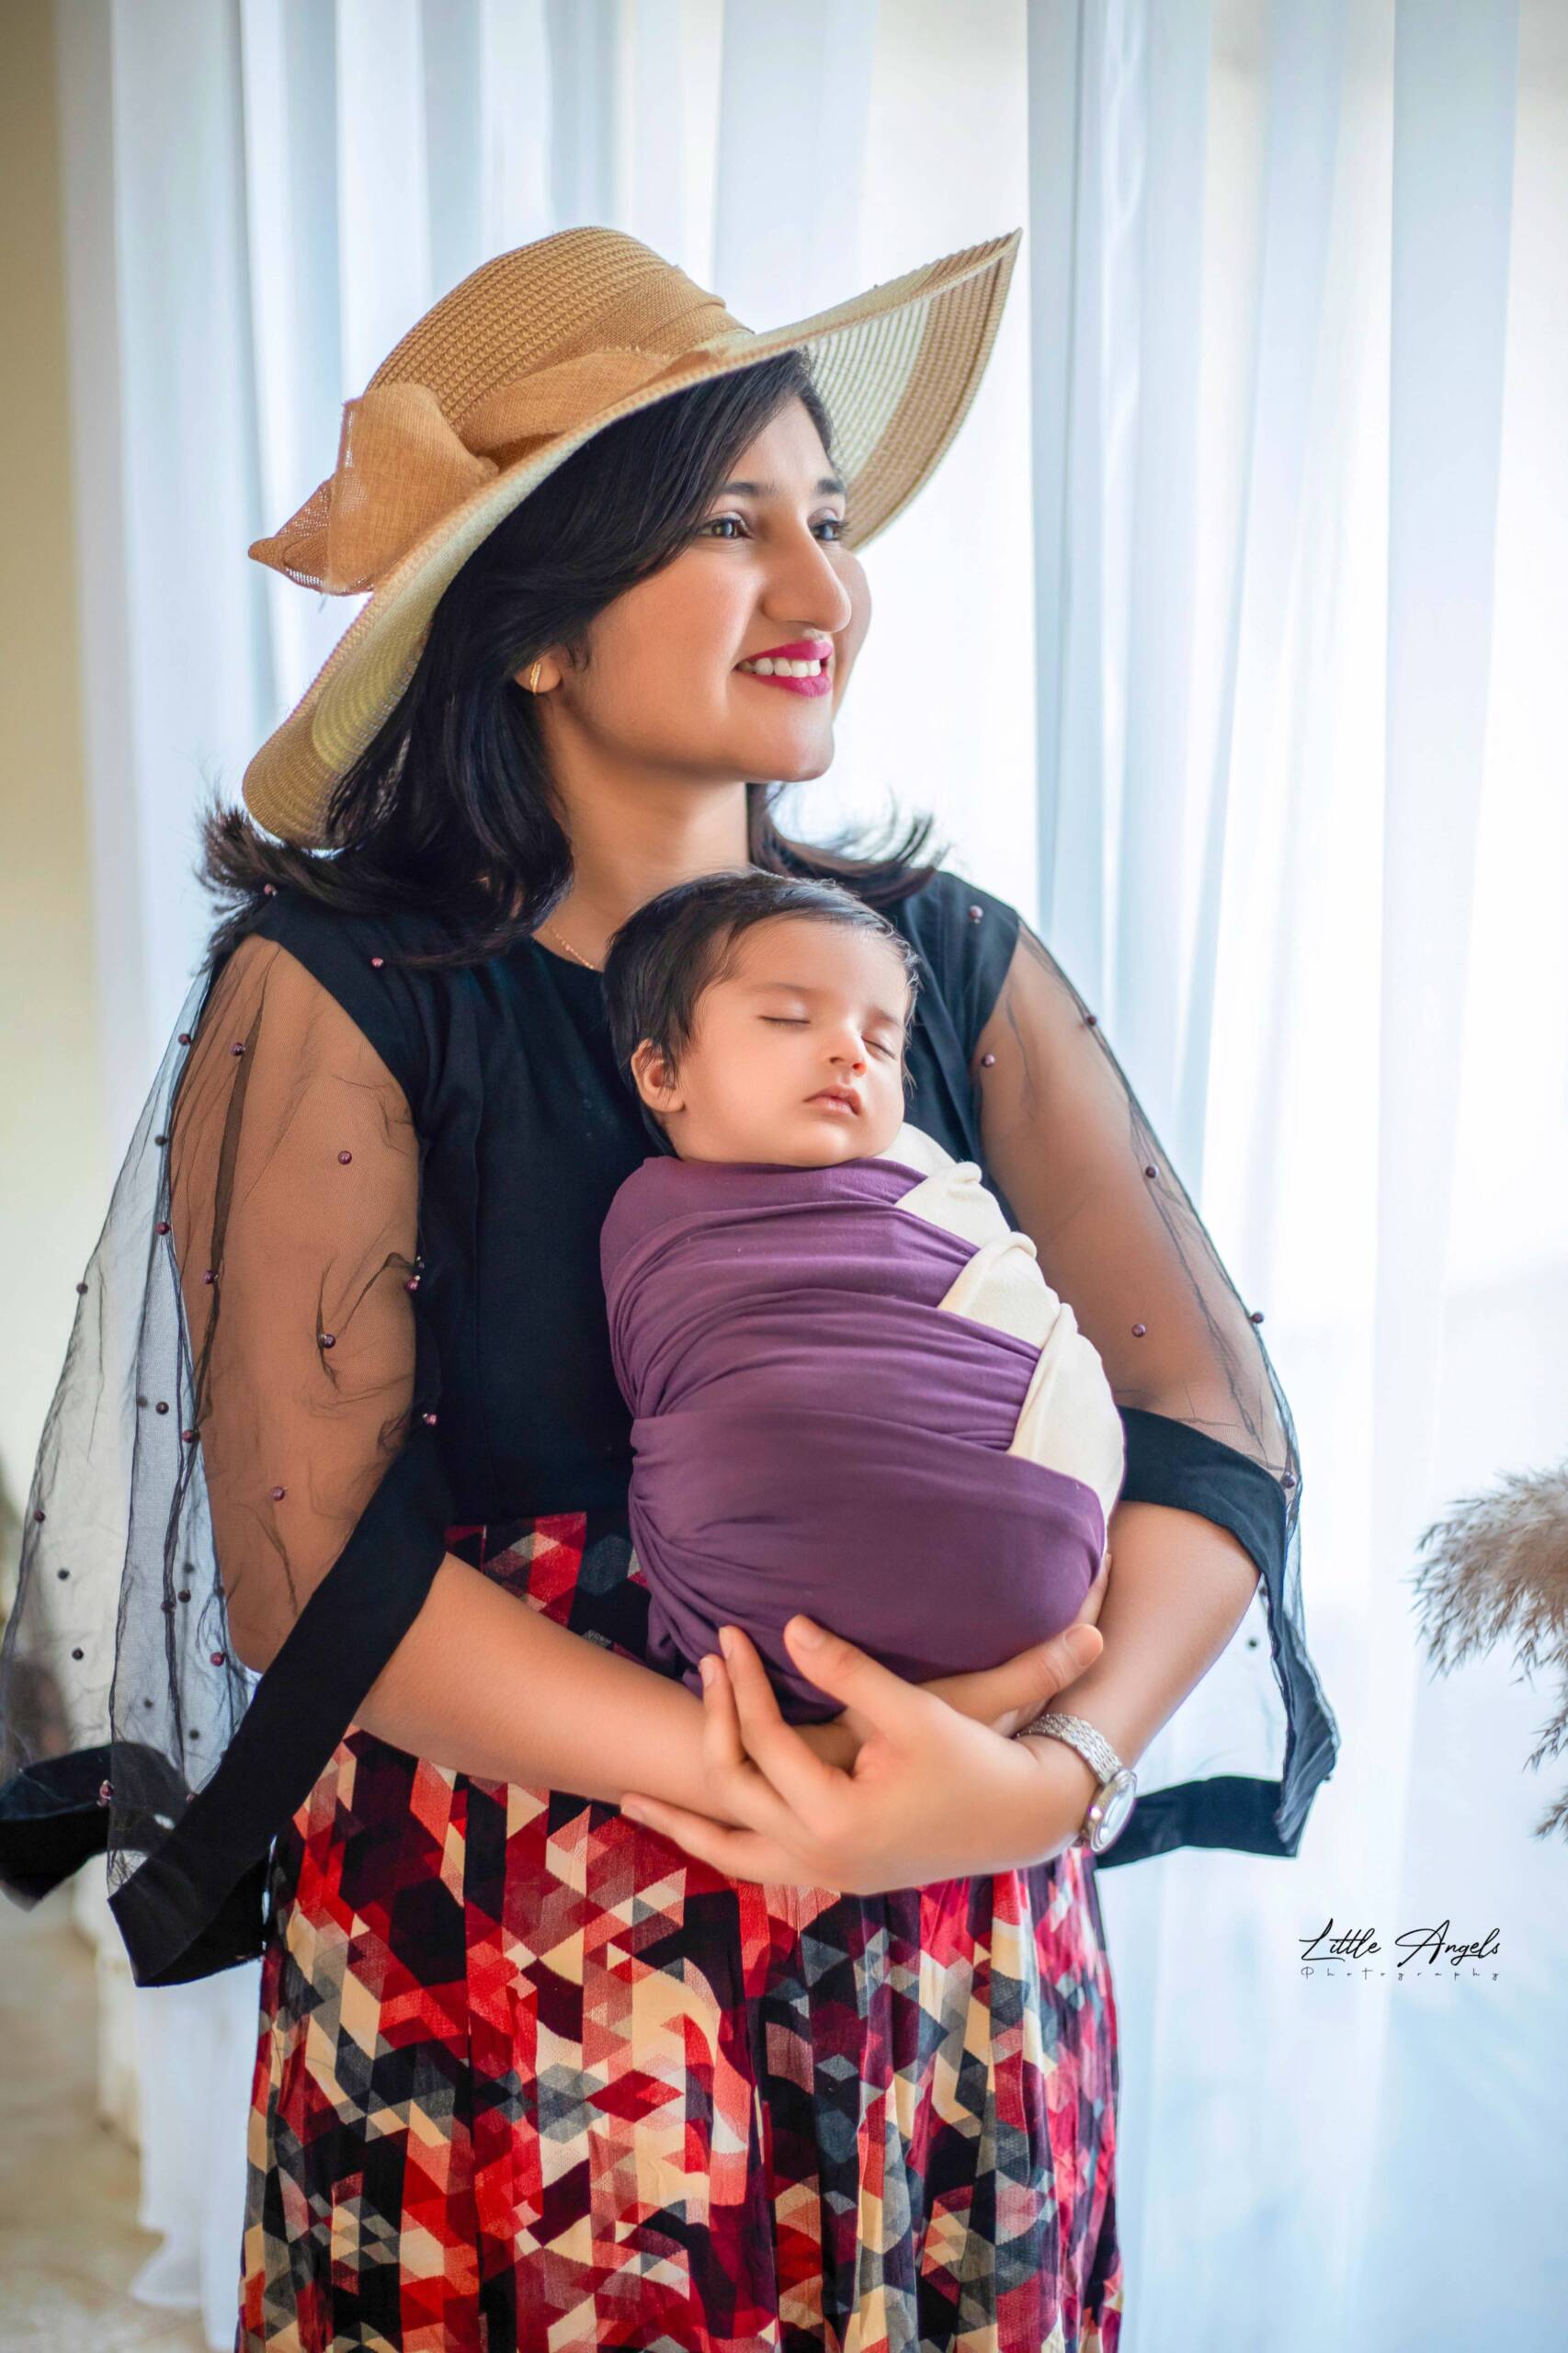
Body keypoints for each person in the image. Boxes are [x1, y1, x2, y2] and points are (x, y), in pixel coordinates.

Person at [0, 225, 1339, 2351]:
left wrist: (1049, 1774)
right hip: (515, 1961)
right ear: (531, 619)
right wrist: (778, 1785)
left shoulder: (949, 962)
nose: (823, 590)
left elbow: (1206, 1432)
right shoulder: (343, 990)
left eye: (830, 519)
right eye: (733, 527)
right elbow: (312, 1560)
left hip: (950, 1942)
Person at [596, 868, 1126, 1719]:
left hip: (1018, 1553)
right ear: (662, 1075)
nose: (850, 1051)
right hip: (758, 1603)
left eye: (882, 1045)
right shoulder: (650, 1224)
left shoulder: (934, 1194)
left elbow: (1027, 1327)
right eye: (788, 1019)